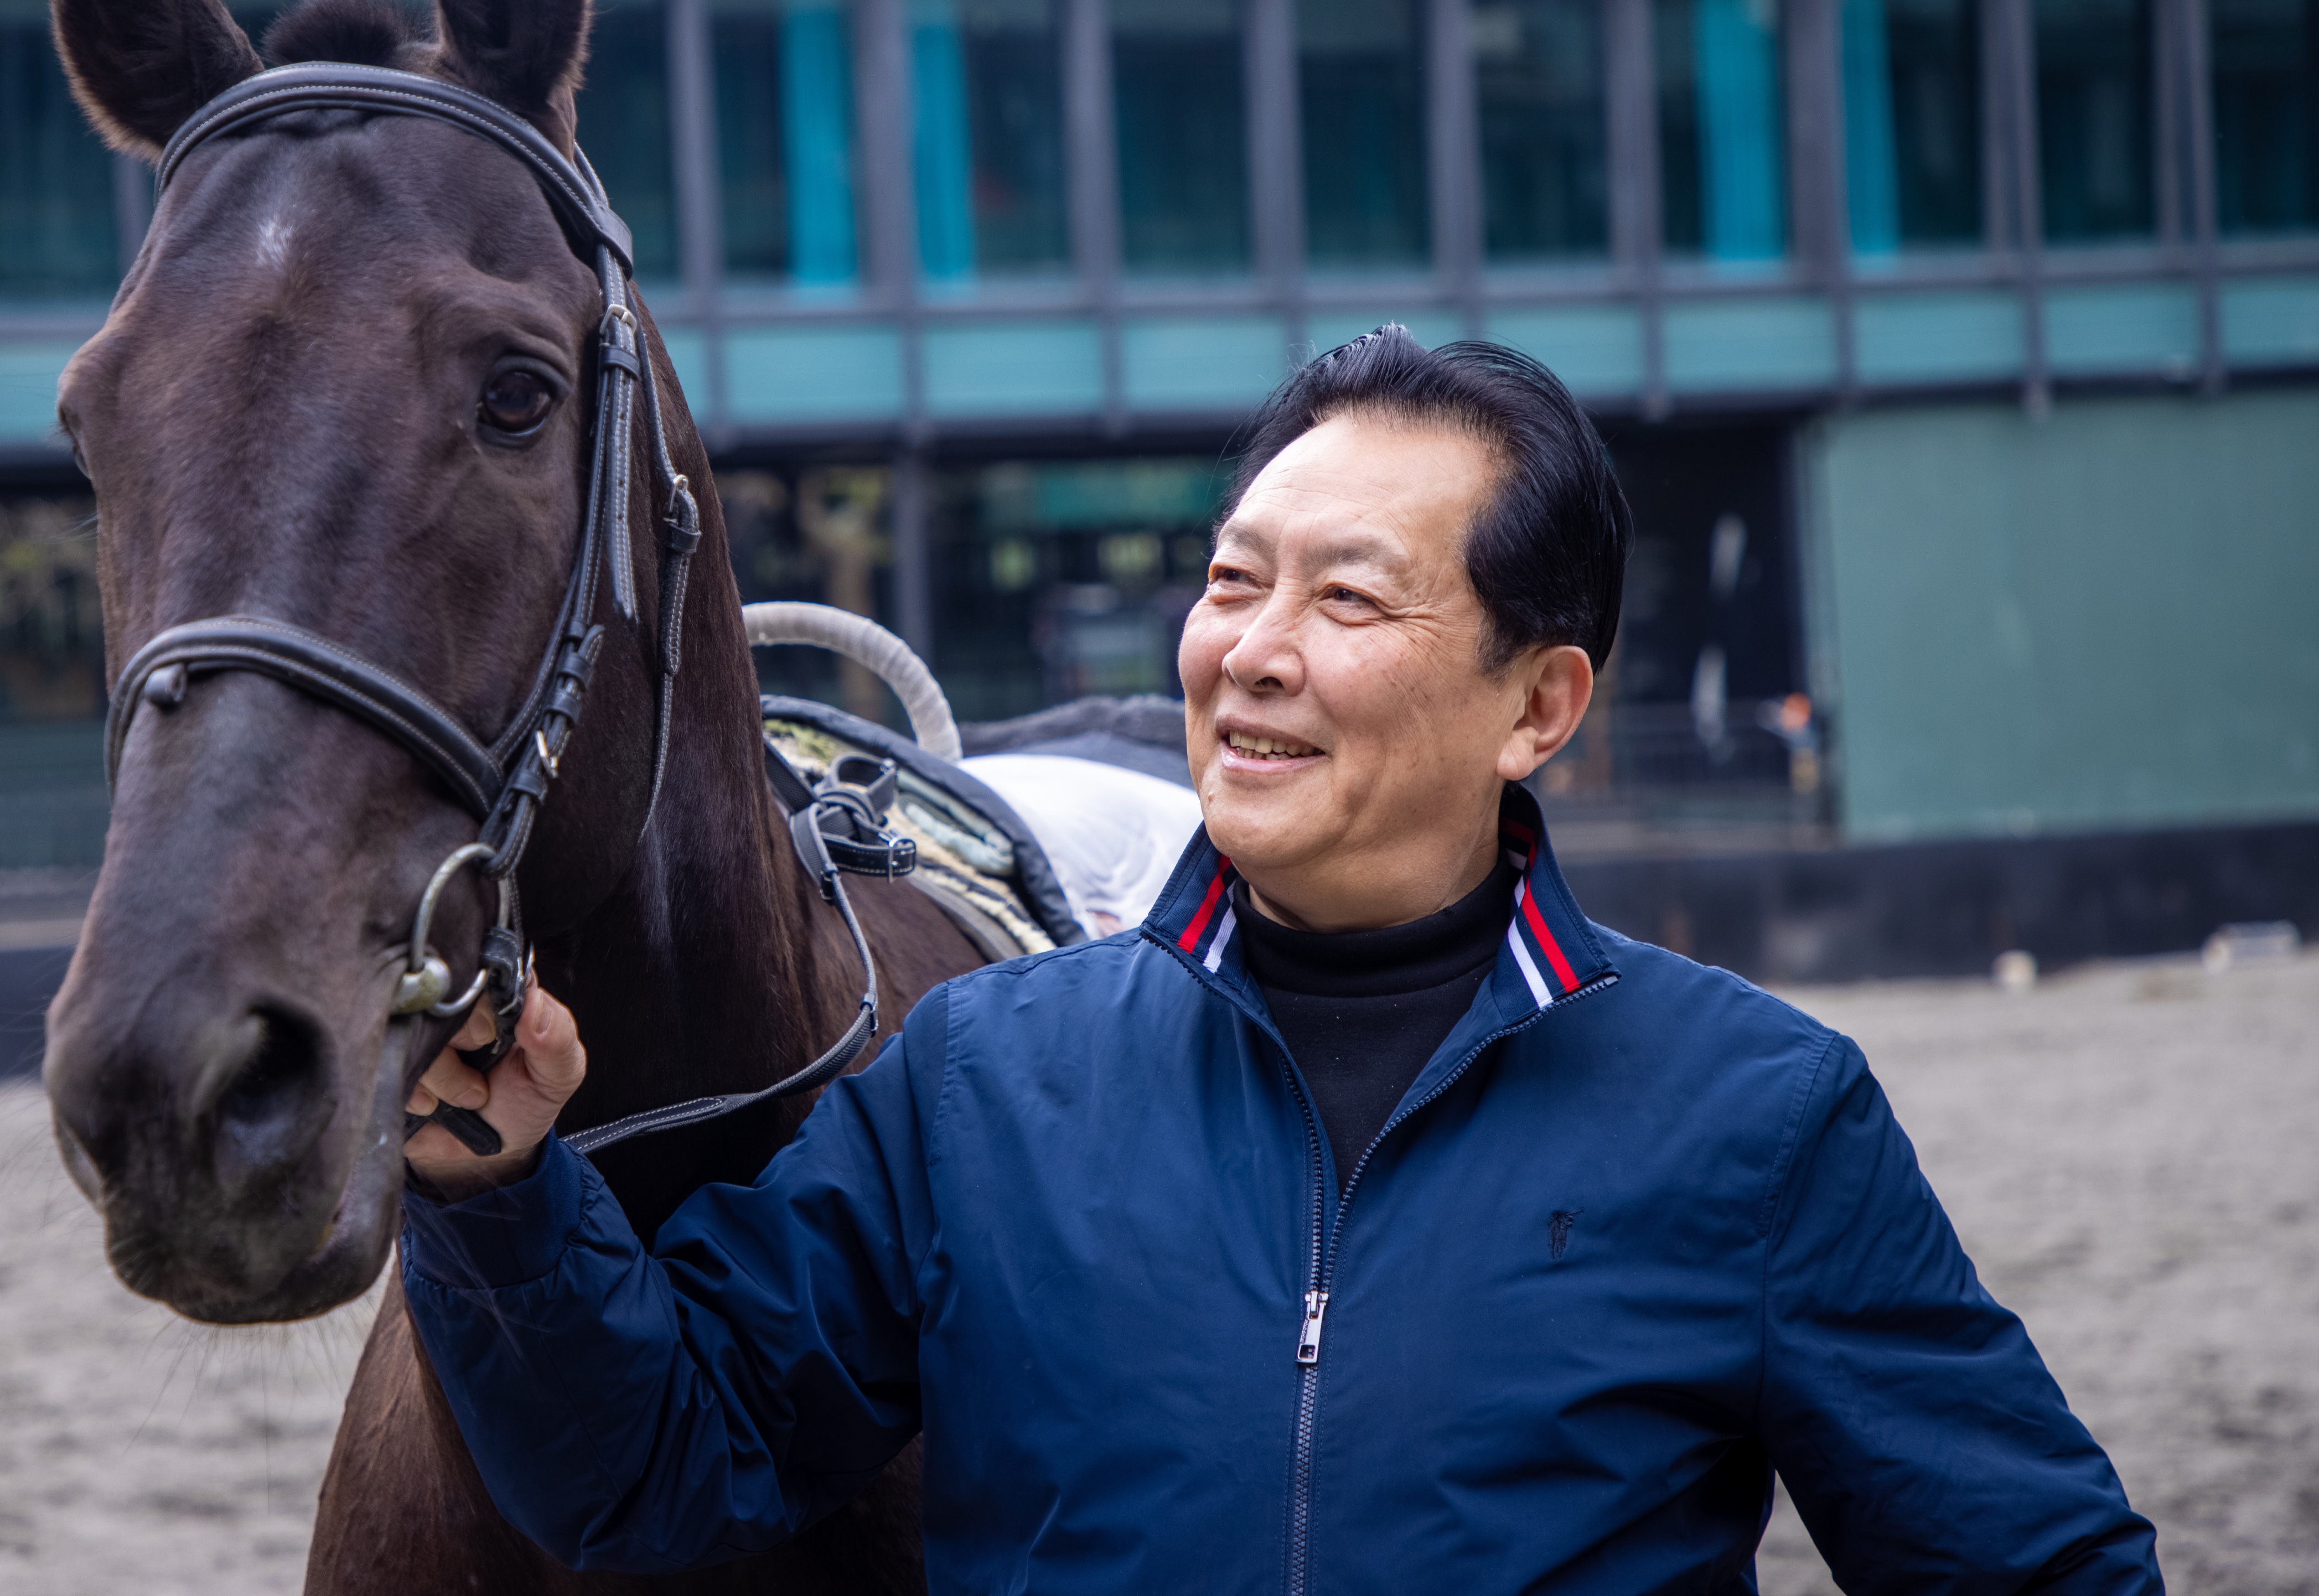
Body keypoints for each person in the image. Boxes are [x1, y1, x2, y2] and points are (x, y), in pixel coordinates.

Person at [398, 328, 2161, 1592]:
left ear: (1538, 705)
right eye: (1236, 582)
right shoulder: (982, 1079)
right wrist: (500, 1196)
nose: (1251, 652)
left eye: (1349, 600)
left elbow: (2034, 1563)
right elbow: (651, 1464)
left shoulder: (1761, 1119)